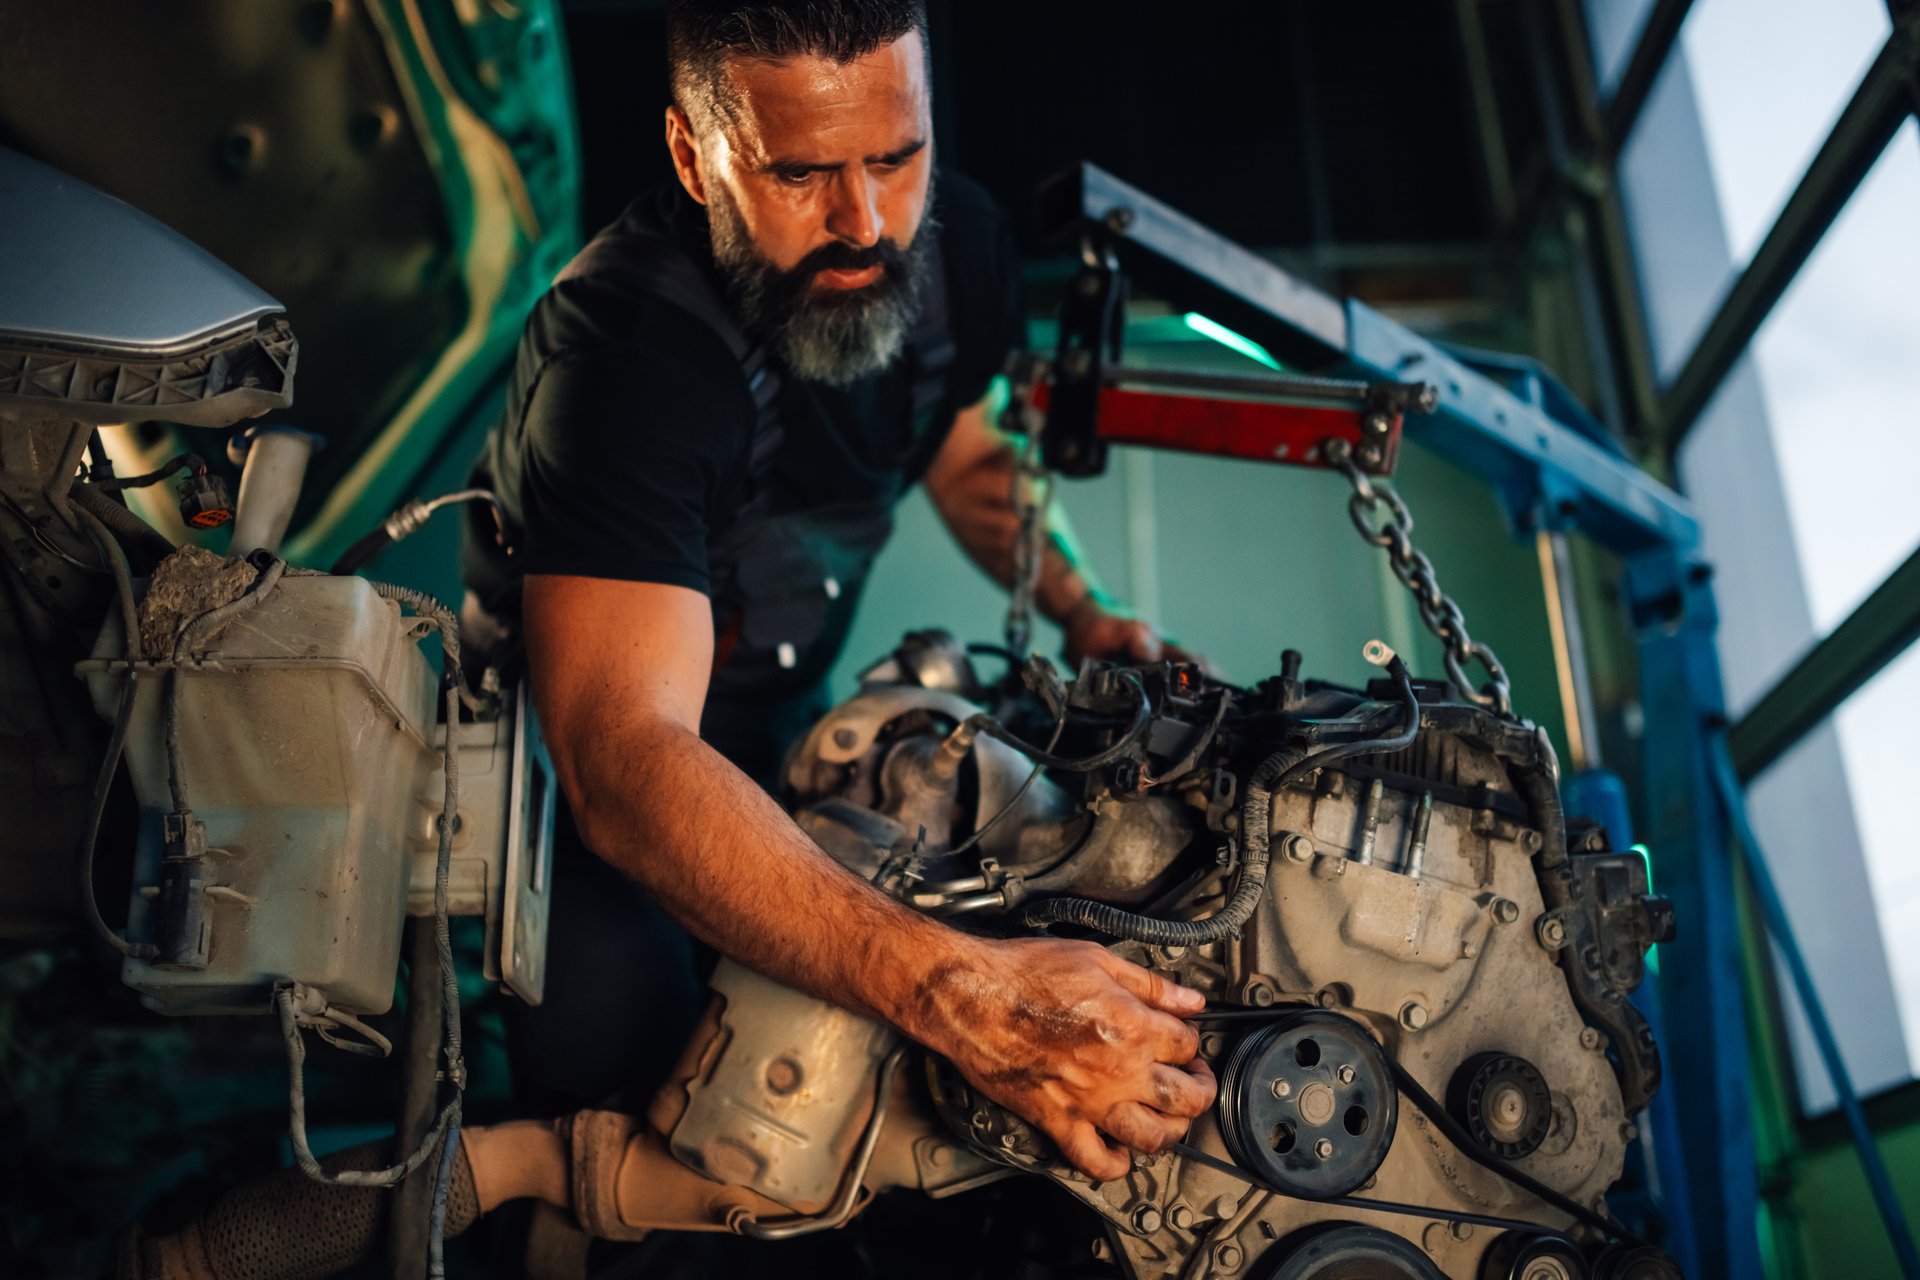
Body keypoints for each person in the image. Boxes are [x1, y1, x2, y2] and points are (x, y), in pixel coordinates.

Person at [463, 0, 1215, 1184]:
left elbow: (959, 443)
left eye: (895, 157)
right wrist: (961, 993)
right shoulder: (624, 358)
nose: (863, 222)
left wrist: (1083, 611)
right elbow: (622, 756)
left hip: (778, 716)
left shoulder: (952, 246)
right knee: (628, 1113)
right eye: (801, 173)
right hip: (575, 790)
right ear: (693, 156)